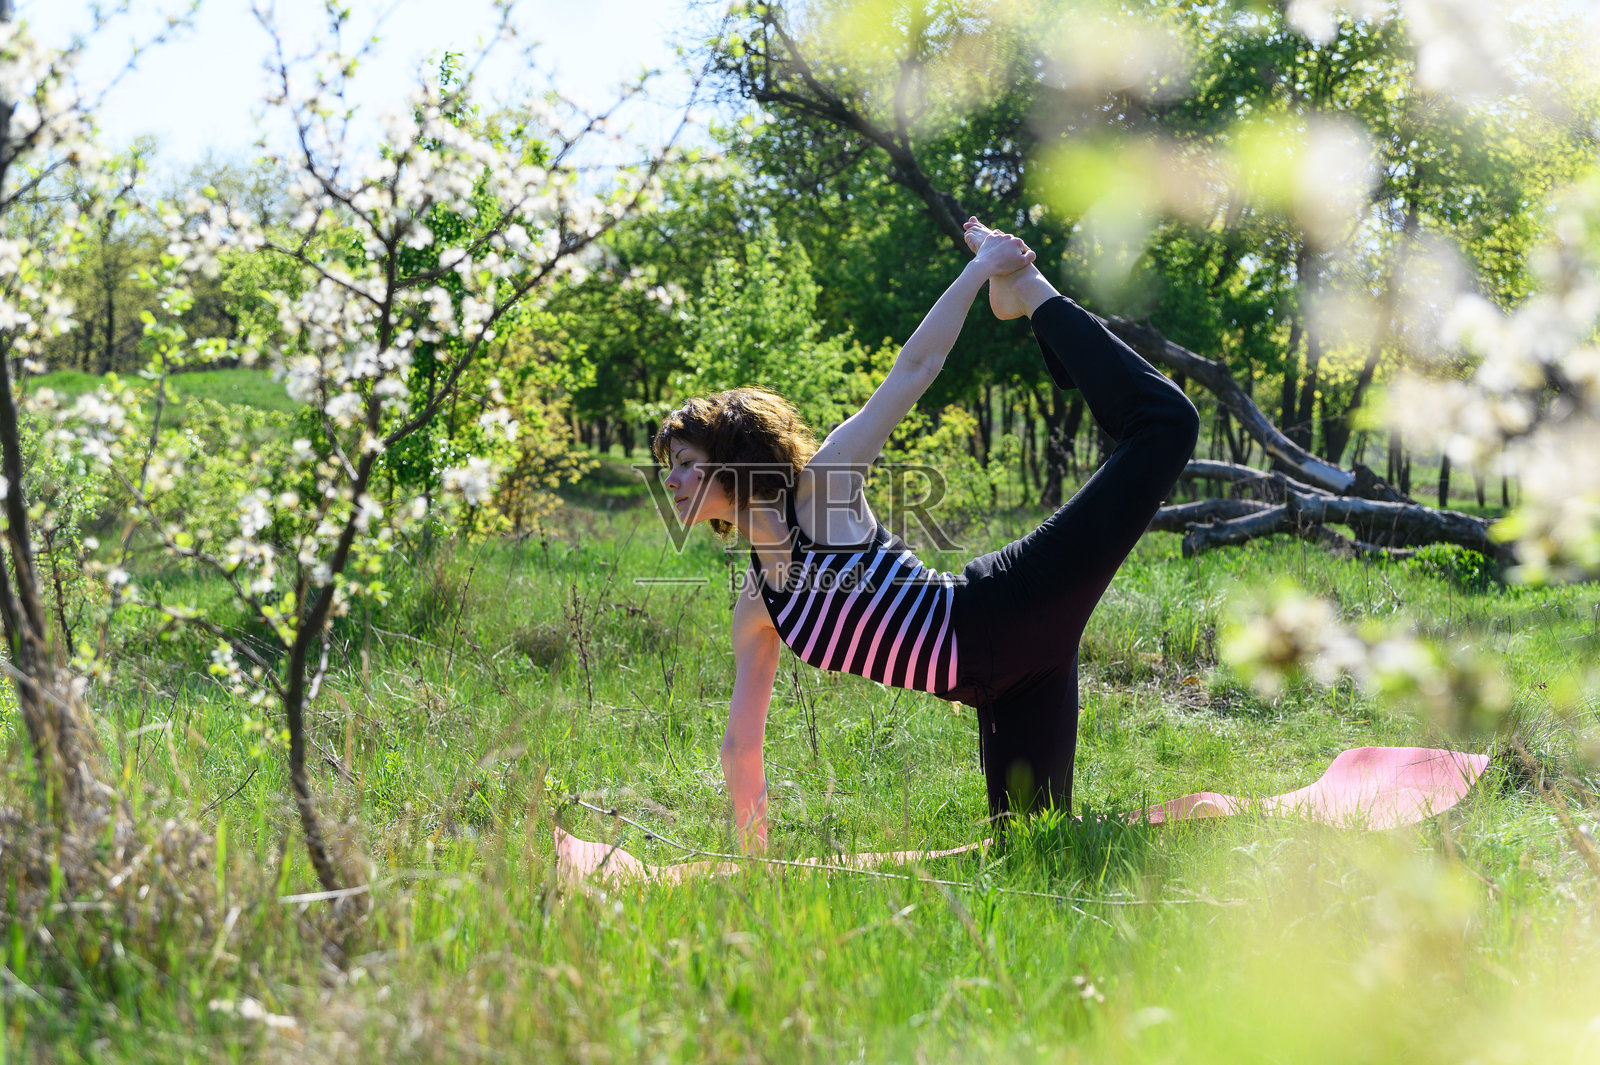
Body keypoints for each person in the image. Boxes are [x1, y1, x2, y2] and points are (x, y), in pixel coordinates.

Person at [653, 219, 1199, 851]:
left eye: (686, 462)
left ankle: (1030, 294)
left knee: (1165, 424)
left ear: (736, 458)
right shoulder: (757, 605)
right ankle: (1021, 288)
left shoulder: (822, 491)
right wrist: (753, 863)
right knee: (1032, 851)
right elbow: (739, 747)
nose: (672, 481)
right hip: (1011, 684)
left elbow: (916, 368)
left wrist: (979, 269)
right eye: (669, 468)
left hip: (1014, 605)